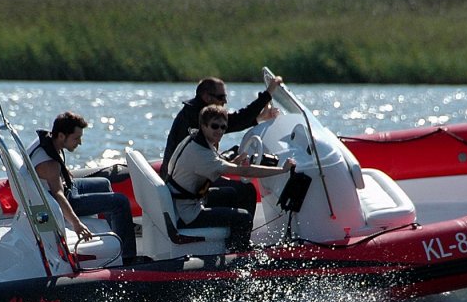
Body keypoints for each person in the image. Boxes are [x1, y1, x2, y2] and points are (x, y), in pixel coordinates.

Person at [166, 105, 296, 253]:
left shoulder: (195, 138)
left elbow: (215, 165)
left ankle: (241, 241)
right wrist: (282, 170)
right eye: (215, 126)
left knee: (245, 191)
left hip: (188, 201)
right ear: (203, 125)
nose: (219, 131)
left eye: (223, 127)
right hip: (187, 213)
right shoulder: (202, 153)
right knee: (243, 218)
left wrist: (235, 161)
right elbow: (245, 171)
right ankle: (236, 255)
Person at [27, 112, 138, 265]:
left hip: (67, 187)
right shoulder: (49, 165)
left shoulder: (46, 140)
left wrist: (64, 172)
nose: (79, 143)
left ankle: (112, 237)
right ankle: (127, 258)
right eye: (76, 138)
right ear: (61, 136)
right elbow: (59, 195)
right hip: (65, 202)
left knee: (104, 183)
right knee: (120, 202)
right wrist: (77, 224)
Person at [160, 75, 282, 178]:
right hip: (185, 179)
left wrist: (260, 117)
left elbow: (233, 123)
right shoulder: (197, 116)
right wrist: (268, 93)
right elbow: (238, 119)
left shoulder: (196, 112)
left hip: (191, 172)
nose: (225, 102)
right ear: (207, 97)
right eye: (221, 97)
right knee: (245, 191)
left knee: (235, 151)